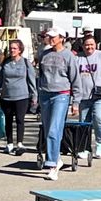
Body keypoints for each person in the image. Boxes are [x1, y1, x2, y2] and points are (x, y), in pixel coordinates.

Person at [38, 27, 80, 180]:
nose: (51, 39)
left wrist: (76, 102)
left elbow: (75, 79)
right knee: (49, 128)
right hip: (45, 94)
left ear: (61, 38)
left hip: (61, 95)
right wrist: (37, 95)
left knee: (54, 130)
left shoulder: (68, 56)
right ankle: (57, 159)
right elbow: (40, 76)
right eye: (49, 36)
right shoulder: (44, 54)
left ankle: (52, 165)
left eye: (54, 37)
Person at [72, 35, 101, 159]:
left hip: (99, 96)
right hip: (83, 97)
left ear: (95, 44)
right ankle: (85, 147)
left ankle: (99, 144)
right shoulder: (77, 59)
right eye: (86, 44)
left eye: (91, 44)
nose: (89, 47)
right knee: (83, 122)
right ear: (82, 46)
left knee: (98, 118)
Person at [0, 39, 37, 155]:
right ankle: (9, 143)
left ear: (20, 50)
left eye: (15, 48)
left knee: (20, 119)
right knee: (8, 120)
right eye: (11, 48)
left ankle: (20, 143)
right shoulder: (5, 63)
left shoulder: (26, 63)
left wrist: (34, 95)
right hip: (6, 97)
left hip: (22, 96)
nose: (12, 50)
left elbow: (32, 81)